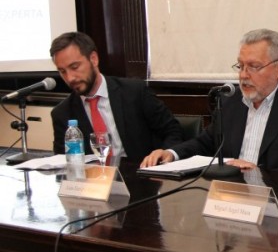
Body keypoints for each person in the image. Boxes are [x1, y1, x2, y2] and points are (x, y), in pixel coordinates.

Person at [141, 28, 278, 176]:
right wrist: (171, 153)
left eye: (253, 66)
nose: (243, 75)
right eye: (241, 66)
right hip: (232, 199)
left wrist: (259, 173)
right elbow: (206, 143)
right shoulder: (230, 101)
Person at [50, 32, 183, 162]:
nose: (70, 78)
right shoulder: (62, 113)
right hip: (93, 182)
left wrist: (164, 155)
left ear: (94, 59)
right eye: (62, 71)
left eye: (74, 67)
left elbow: (173, 131)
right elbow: (63, 162)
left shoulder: (134, 92)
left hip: (142, 176)